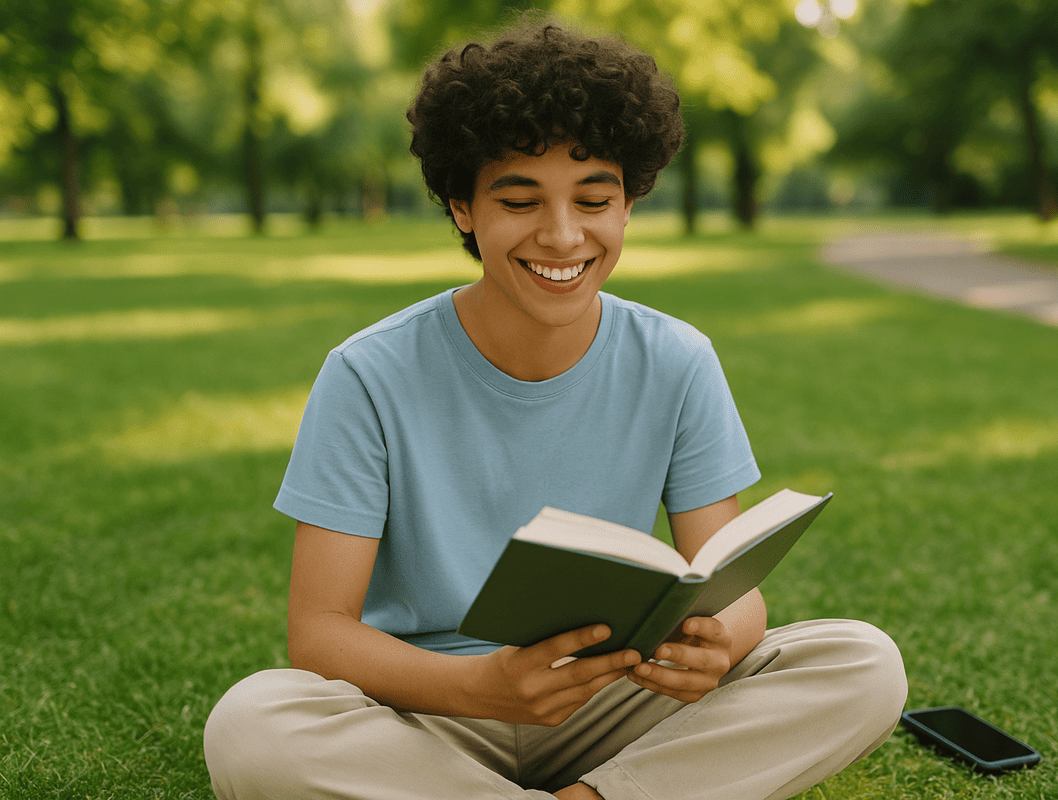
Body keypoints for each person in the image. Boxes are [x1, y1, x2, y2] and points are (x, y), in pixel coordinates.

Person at [204, 15, 906, 800]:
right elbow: (320, 632)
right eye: (520, 200)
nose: (564, 235)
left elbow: (729, 590)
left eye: (594, 199)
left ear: (628, 204)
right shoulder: (367, 373)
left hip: (610, 699)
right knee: (253, 720)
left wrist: (716, 644)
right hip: (429, 709)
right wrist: (479, 689)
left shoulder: (677, 360)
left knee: (862, 661)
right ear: (462, 208)